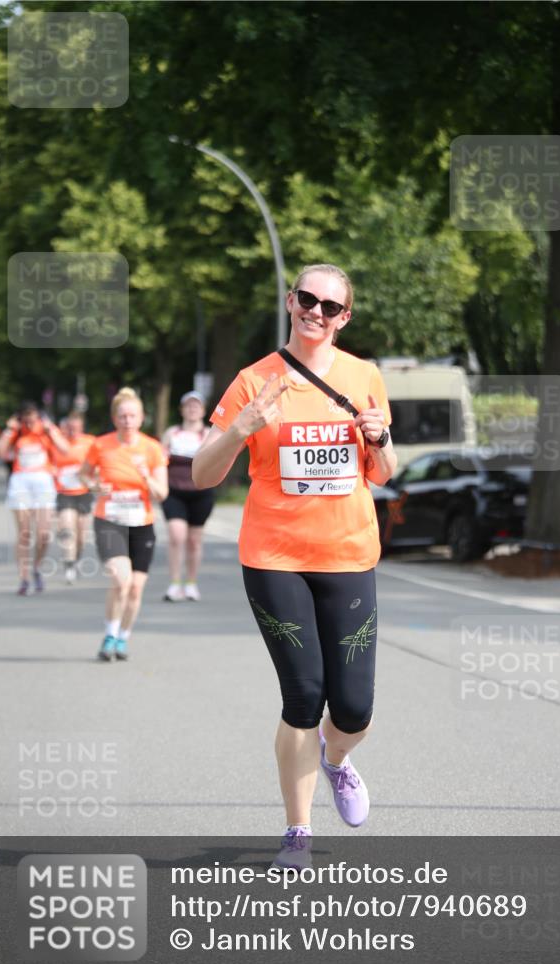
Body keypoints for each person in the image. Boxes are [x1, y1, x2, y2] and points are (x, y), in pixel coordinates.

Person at [192, 263, 397, 868]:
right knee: (305, 694)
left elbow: (384, 473)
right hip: (275, 557)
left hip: (349, 555)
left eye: (331, 306)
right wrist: (242, 429)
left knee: (354, 708)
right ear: (290, 300)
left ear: (345, 317)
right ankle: (298, 832)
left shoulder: (364, 376)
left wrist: (379, 438)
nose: (317, 312)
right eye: (308, 299)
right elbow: (203, 475)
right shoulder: (253, 380)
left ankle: (336, 760)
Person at [78, 388, 168, 662]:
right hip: (110, 519)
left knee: (136, 588)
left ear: (141, 418)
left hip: (142, 522)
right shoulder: (101, 445)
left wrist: (145, 475)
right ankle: (109, 634)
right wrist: (95, 486)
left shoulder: (152, 448)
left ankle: (122, 638)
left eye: (132, 416)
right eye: (122, 416)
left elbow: (161, 493)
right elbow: (84, 475)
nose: (127, 420)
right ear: (114, 418)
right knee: (121, 579)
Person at [0, 402, 69, 595]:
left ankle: (36, 567)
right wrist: (8, 431)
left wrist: (51, 429)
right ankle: (24, 577)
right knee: (24, 533)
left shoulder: (45, 430)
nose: (29, 421)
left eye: (32, 417)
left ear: (38, 416)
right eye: (25, 417)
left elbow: (65, 449)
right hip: (21, 481)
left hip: (43, 481)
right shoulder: (17, 432)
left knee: (44, 533)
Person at [160, 391, 215, 601]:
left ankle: (191, 583)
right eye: (188, 406)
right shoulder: (171, 433)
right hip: (174, 492)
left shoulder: (208, 433)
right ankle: (174, 584)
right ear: (182, 410)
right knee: (176, 536)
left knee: (194, 540)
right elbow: (159, 459)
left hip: (201, 493)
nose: (192, 410)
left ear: (202, 410)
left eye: (196, 406)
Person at [51, 411, 95, 583]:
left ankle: (76, 559)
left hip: (84, 493)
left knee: (81, 534)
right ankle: (69, 564)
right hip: (64, 493)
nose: (72, 430)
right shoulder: (58, 444)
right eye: (70, 427)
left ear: (82, 427)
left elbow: (98, 463)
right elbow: (48, 462)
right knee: (67, 528)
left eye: (76, 427)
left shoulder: (90, 442)